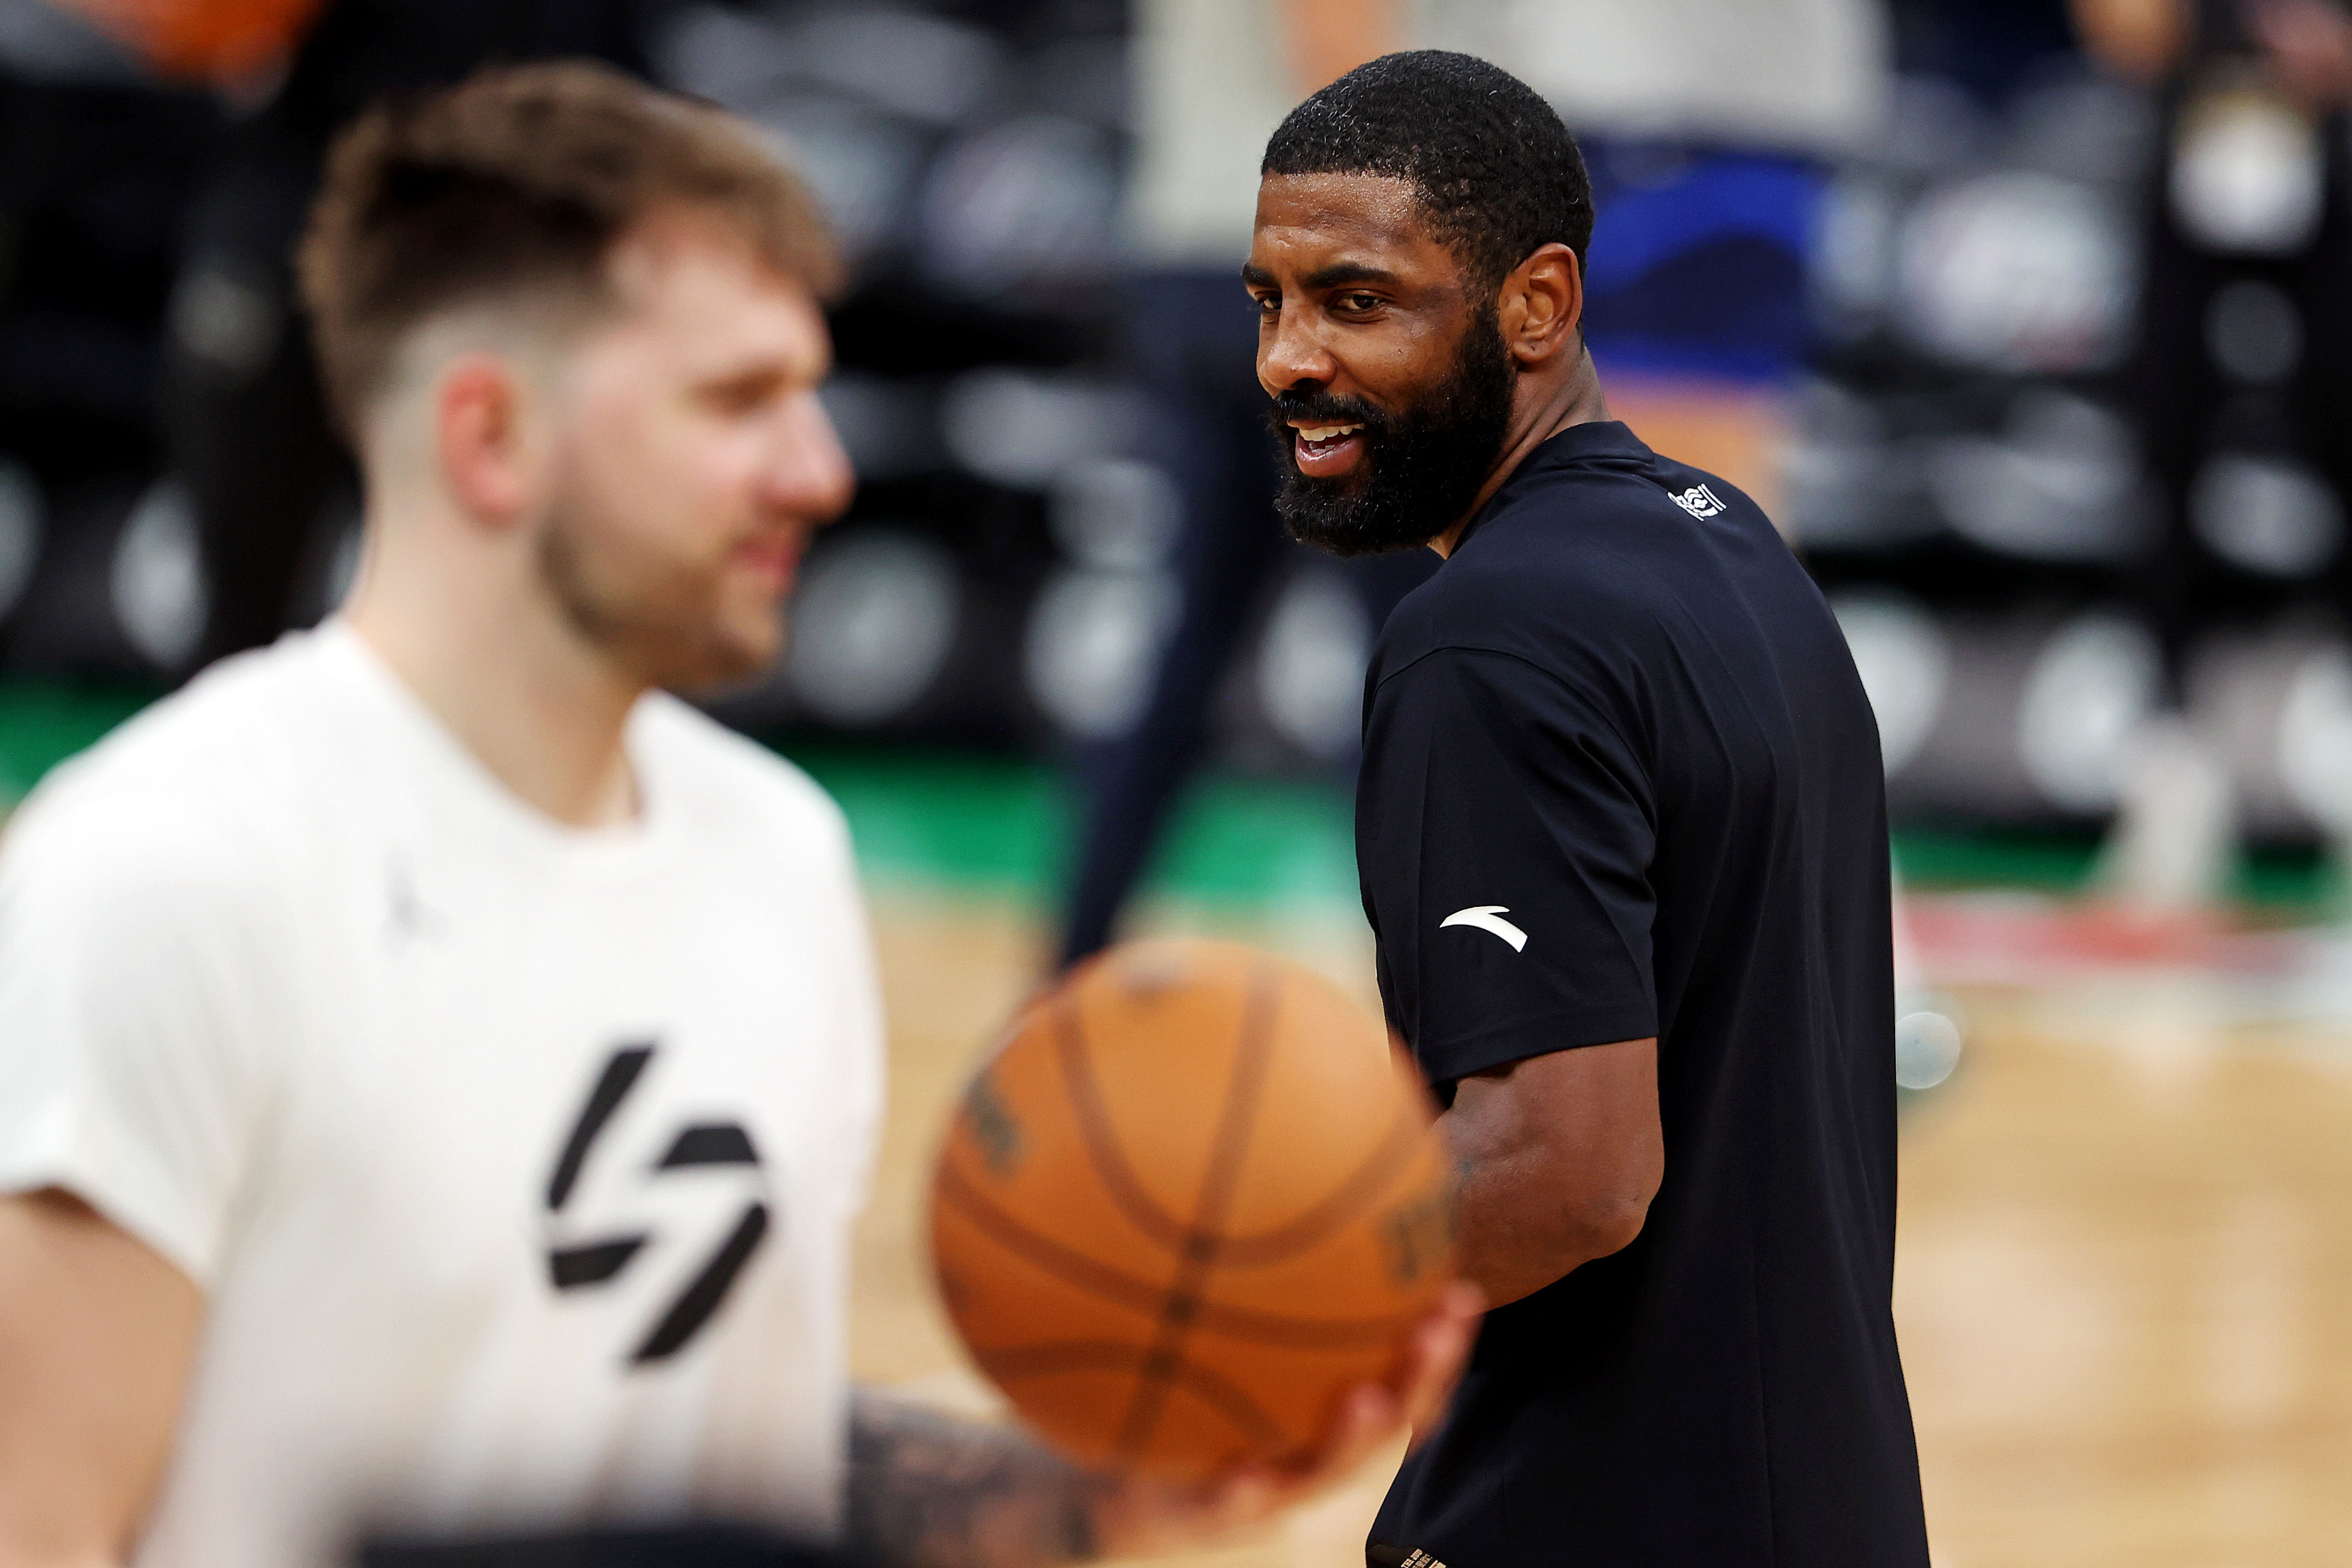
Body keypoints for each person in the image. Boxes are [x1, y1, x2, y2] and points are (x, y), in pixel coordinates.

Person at [0, 62, 1474, 1568]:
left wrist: (1094, 1493)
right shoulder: (167, 874)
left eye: (810, 395)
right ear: (489, 434)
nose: (818, 471)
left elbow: (722, 1450)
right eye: (739, 400)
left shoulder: (776, 852)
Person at [1241, 53, 1932, 1566]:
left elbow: (1565, 1169)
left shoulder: (1487, 640)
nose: (1289, 359)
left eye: (1356, 300)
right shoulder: (1729, 544)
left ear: (1535, 306)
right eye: (1268, 302)